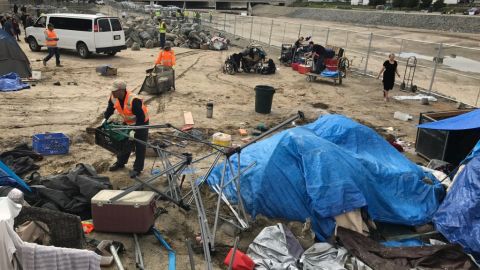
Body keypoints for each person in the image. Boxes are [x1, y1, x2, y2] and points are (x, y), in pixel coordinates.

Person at [103, 81, 150, 178]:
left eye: (114, 91)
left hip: (142, 123)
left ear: (121, 90)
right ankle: (120, 163)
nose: (112, 92)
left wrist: (134, 130)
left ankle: (137, 169)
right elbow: (109, 109)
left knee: (139, 145)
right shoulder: (113, 97)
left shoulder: (133, 100)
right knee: (123, 143)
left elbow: (141, 116)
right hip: (127, 122)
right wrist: (104, 120)